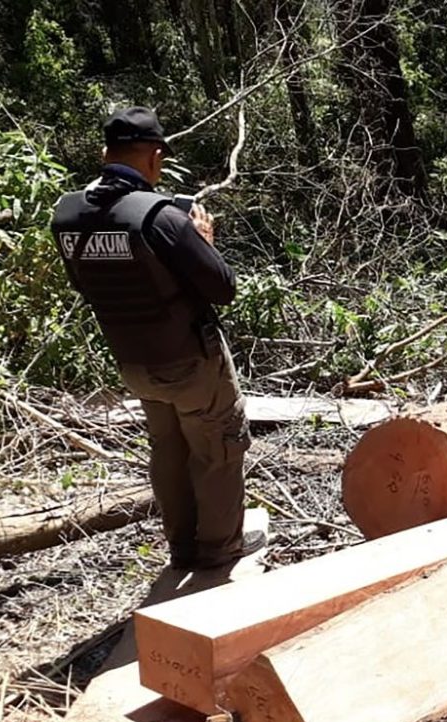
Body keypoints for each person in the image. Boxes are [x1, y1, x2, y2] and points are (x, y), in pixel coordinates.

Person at [51, 106, 264, 570]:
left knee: (167, 449)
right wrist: (203, 240)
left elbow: (84, 284)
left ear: (106, 152)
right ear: (154, 156)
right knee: (217, 448)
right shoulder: (159, 217)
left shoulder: (66, 214)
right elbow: (222, 287)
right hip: (189, 360)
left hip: (133, 363)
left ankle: (182, 548)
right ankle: (220, 549)